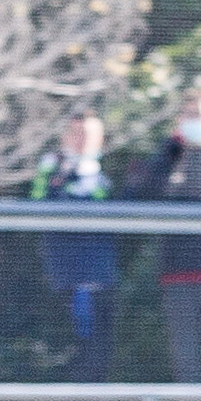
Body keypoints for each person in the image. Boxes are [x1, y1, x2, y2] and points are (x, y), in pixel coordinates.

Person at [124, 90, 201, 384]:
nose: (196, 122)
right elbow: (143, 197)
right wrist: (170, 153)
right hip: (176, 272)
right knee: (186, 357)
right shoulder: (164, 160)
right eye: (190, 116)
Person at [30, 111, 117, 369]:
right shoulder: (51, 168)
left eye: (87, 134)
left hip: (100, 278)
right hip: (63, 279)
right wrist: (60, 173)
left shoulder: (103, 178)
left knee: (98, 356)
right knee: (68, 356)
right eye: (75, 133)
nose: (80, 140)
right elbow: (37, 204)